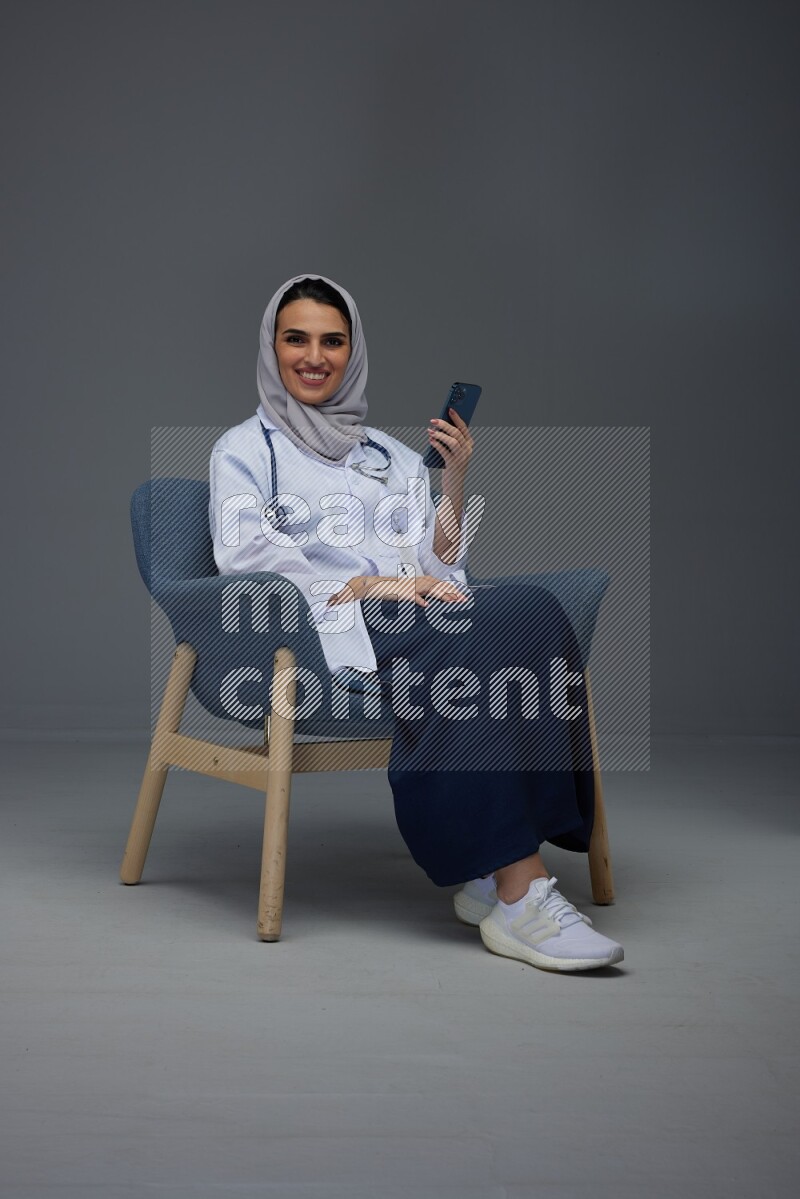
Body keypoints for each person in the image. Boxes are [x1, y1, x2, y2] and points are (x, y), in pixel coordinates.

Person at [209, 273, 624, 972]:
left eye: (333, 341)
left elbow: (441, 565)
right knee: (462, 639)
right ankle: (521, 896)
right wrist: (378, 585)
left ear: (354, 351)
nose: (314, 357)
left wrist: (453, 477)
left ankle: (492, 871)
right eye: (296, 339)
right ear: (271, 348)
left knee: (532, 609)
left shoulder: (388, 456)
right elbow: (246, 557)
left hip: (411, 612)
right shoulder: (243, 450)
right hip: (319, 628)